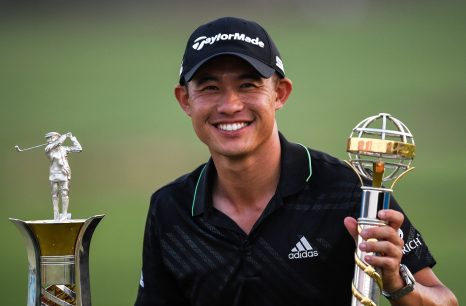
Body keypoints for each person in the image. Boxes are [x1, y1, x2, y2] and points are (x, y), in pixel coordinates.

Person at [135, 17, 457, 306]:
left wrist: (398, 283)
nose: (230, 105)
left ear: (280, 94)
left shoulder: (348, 192)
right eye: (210, 87)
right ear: (185, 101)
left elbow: (444, 301)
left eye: (248, 85)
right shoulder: (170, 210)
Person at [44, 132, 82, 220]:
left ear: (57, 137)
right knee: (54, 194)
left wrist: (73, 138)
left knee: (65, 194)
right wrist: (64, 136)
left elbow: (79, 149)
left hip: (64, 173)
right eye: (47, 138)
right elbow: (58, 143)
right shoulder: (48, 149)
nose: (48, 140)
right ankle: (56, 215)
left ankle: (64, 215)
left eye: (51, 138)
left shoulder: (64, 149)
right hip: (54, 174)